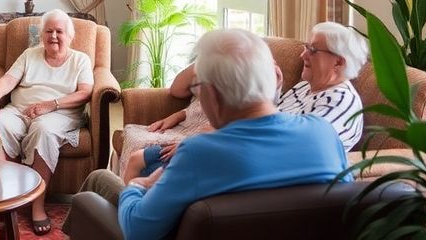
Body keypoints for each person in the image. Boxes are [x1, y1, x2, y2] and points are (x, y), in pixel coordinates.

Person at [78, 28, 351, 240]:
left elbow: (139, 231)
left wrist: (139, 186)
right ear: (274, 79)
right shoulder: (324, 134)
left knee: (97, 182)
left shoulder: (200, 153)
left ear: (211, 95)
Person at [0, 9, 94, 236]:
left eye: (59, 31)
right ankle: (1, 199)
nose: (53, 36)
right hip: (21, 110)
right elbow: (8, 79)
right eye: (49, 31)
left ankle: (37, 205)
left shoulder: (80, 59)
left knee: (43, 130)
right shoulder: (29, 54)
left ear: (70, 36)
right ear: (41, 34)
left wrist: (52, 104)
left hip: (61, 113)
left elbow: (85, 92)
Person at [277, 21, 368, 151]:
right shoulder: (304, 87)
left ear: (338, 62)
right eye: (306, 47)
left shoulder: (341, 100)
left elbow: (302, 144)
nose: (303, 55)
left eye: (312, 50)